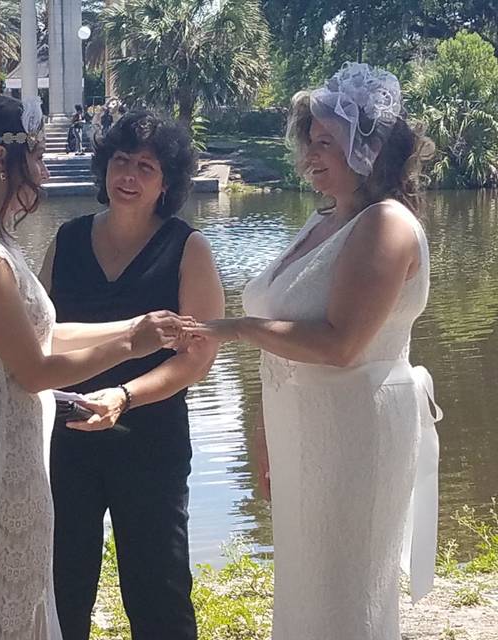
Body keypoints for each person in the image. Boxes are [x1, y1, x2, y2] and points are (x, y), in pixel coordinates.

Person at [188, 62, 442, 640]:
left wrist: (231, 327)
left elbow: (341, 345)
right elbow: (285, 339)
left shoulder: (387, 225)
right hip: (301, 425)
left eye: (325, 143)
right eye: (311, 141)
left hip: (357, 428)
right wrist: (264, 429)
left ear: (369, 148)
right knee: (306, 589)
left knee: (346, 593)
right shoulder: (324, 221)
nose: (310, 156)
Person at [0, 92, 188, 640]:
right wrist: (130, 346)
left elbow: (42, 334)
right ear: (1, 162)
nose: (44, 173)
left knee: (22, 600)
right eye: (37, 157)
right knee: (2, 605)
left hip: (16, 442)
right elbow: (33, 371)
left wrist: (137, 326)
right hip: (1, 450)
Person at [39, 110, 225, 640]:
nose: (129, 176)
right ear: (104, 168)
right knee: (61, 585)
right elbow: (40, 333)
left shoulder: (188, 248)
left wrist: (124, 396)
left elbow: (197, 359)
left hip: (152, 439)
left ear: (166, 182)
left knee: (158, 589)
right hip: (66, 435)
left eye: (146, 167)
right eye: (121, 161)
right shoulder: (67, 239)